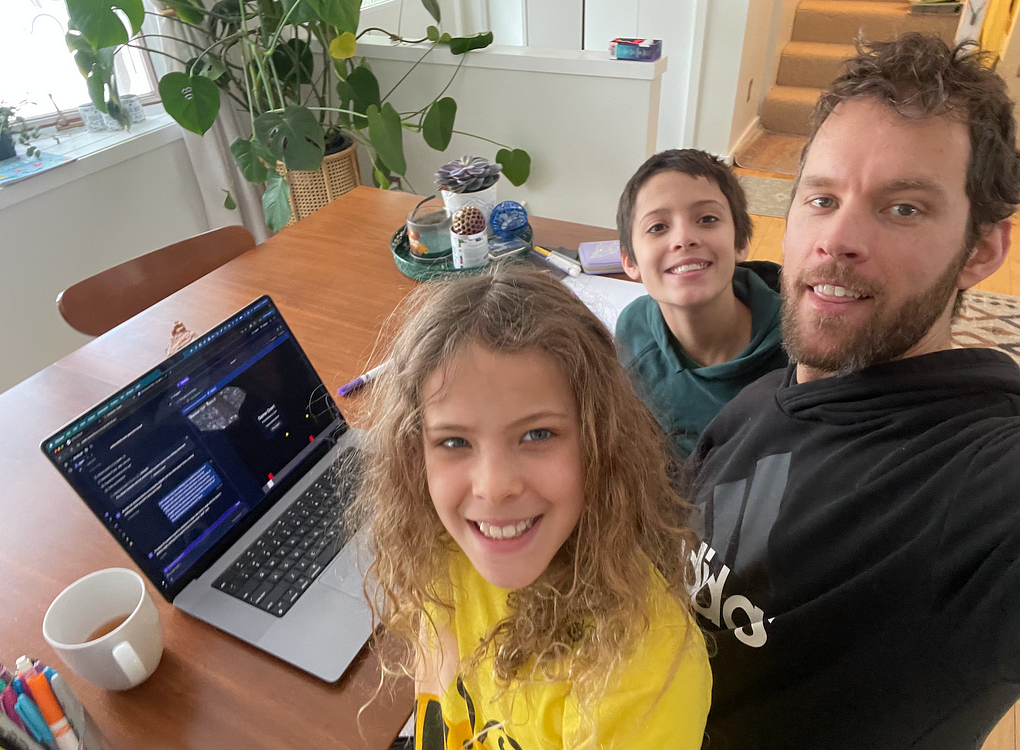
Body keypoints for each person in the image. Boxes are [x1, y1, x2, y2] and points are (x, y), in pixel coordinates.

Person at [691, 33, 1020, 750]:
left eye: (903, 208)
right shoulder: (759, 403)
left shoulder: (977, 483)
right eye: (822, 197)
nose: (836, 238)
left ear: (983, 249)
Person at [353, 267, 711, 749]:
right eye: (454, 441)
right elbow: (439, 707)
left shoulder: (646, 673)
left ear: (600, 445)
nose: (495, 487)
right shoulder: (444, 552)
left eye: (537, 434)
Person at [615, 149, 788, 459]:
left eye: (707, 219)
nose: (683, 238)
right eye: (657, 227)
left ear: (740, 243)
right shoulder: (634, 333)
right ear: (630, 261)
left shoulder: (799, 351)